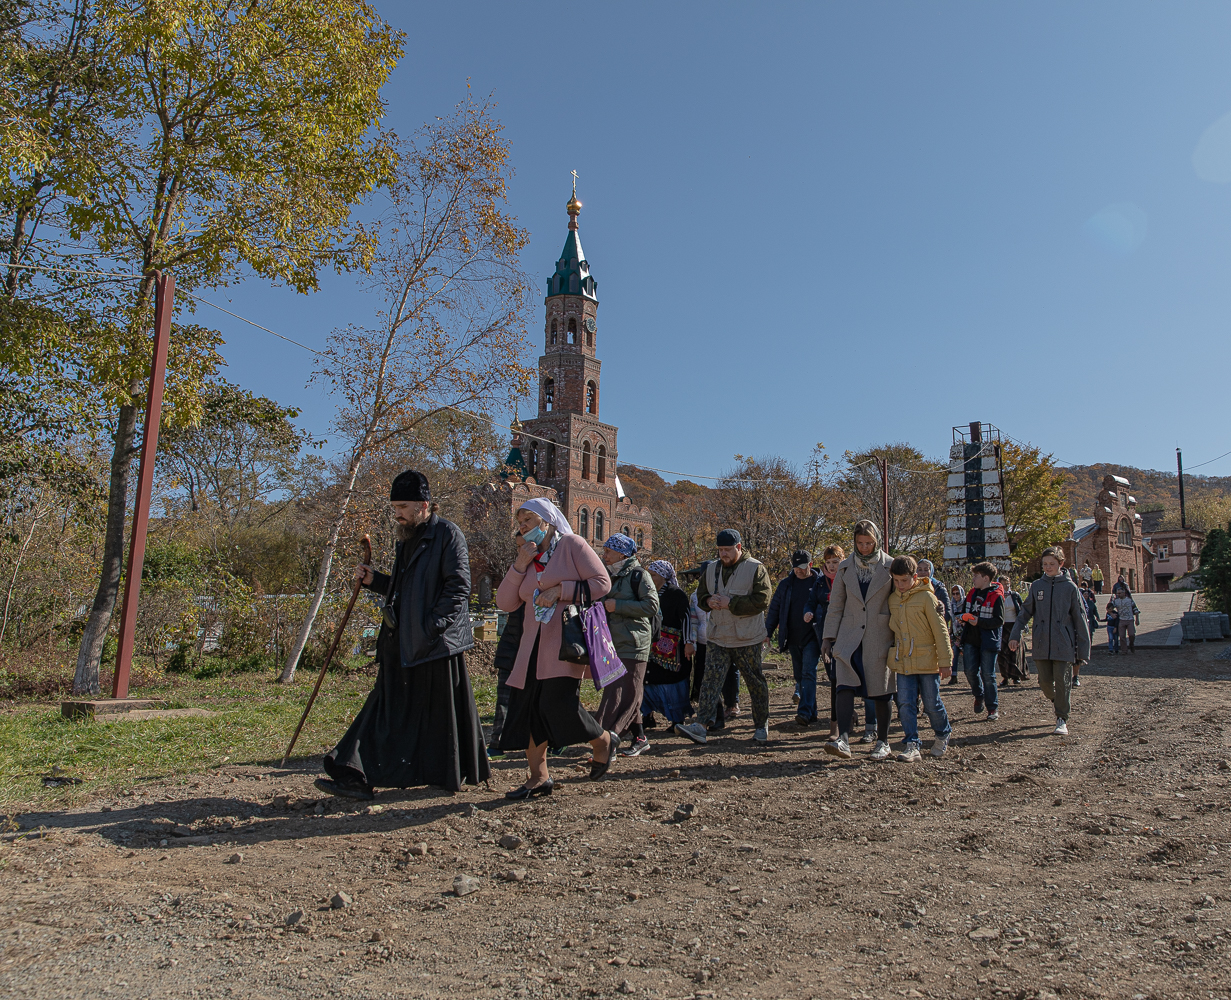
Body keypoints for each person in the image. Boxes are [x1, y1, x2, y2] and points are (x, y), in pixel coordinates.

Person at [318, 470, 489, 799]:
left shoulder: (448, 536)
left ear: (423, 504)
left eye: (403, 505)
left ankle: (360, 773)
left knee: (431, 716)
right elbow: (405, 590)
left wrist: (430, 629)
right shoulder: (407, 537)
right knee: (385, 708)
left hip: (435, 647)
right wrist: (375, 581)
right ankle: (354, 772)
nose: (397, 512)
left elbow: (458, 590)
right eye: (394, 505)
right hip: (403, 642)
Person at [496, 497, 616, 798]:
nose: (522, 527)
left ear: (547, 520)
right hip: (529, 650)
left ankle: (603, 741)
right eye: (520, 522)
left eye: (528, 520)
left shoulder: (571, 545)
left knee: (558, 707)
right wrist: (518, 566)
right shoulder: (527, 557)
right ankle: (538, 777)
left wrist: (560, 590)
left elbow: (602, 583)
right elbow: (505, 602)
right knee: (528, 712)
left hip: (563, 646)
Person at [675, 529, 773, 746]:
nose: (723, 554)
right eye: (720, 550)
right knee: (709, 681)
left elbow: (763, 600)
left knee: (755, 682)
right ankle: (700, 726)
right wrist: (708, 601)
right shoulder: (710, 569)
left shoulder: (756, 568)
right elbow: (700, 596)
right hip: (718, 636)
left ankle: (760, 726)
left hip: (747, 637)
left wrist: (732, 603)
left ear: (738, 547)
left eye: (727, 550)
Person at [821, 520, 897, 761]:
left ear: (877, 541)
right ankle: (843, 739)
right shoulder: (845, 568)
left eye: (869, 543)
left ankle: (883, 742)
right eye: (859, 543)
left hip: (880, 635)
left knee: (881, 690)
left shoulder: (891, 566)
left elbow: (900, 601)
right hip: (849, 636)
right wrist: (828, 637)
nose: (864, 548)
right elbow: (836, 606)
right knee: (843, 685)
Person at [1008, 546, 1090, 736]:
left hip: (1064, 643)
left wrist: (1083, 651)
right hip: (1041, 642)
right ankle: (1058, 700)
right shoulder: (1037, 586)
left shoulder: (1070, 588)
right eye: (1045, 564)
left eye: (1052, 564)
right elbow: (1024, 613)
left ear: (1061, 564)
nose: (1048, 567)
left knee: (1062, 680)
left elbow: (1080, 618)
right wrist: (1014, 635)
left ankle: (1062, 718)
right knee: (1045, 682)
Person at [594, 533, 659, 753]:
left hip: (634, 643)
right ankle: (640, 738)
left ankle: (609, 736)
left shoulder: (639, 575)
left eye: (608, 551)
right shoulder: (610, 575)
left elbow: (651, 606)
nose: (604, 556)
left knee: (626, 693)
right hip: (612, 643)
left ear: (621, 553)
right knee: (625, 691)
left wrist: (617, 606)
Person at [886, 555, 953, 760]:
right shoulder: (892, 599)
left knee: (932, 703)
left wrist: (945, 662)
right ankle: (912, 743)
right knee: (905, 703)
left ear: (915, 577)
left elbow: (941, 631)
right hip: (904, 661)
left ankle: (943, 733)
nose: (900, 585)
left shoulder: (927, 598)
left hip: (927, 661)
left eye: (904, 581)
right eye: (896, 581)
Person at [638, 559, 693, 746]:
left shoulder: (676, 594)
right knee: (648, 679)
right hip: (651, 646)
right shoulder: (646, 593)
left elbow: (685, 619)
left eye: (653, 575)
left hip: (674, 649)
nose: (650, 578)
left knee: (672, 681)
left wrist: (688, 642)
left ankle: (677, 719)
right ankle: (646, 716)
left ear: (663, 576)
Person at [766, 549, 821, 727]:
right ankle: (812, 712)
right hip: (793, 637)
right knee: (800, 676)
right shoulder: (786, 585)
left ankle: (804, 712)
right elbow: (775, 609)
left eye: (802, 567)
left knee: (808, 672)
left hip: (813, 637)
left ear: (810, 565)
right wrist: (767, 633)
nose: (799, 570)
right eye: (796, 567)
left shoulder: (818, 583)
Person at [804, 544, 845, 739]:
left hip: (846, 633)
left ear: (842, 561)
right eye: (828, 562)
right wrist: (808, 612)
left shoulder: (847, 579)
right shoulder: (820, 583)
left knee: (841, 678)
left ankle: (837, 724)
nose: (831, 566)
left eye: (835, 562)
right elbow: (810, 601)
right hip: (824, 634)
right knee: (832, 676)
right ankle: (847, 712)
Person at [959, 562, 1005, 722]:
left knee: (988, 675)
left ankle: (992, 708)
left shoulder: (997, 596)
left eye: (976, 576)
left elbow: (999, 621)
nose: (973, 579)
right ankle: (979, 695)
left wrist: (979, 621)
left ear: (986, 578)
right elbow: (965, 611)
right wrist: (963, 618)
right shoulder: (972, 593)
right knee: (970, 671)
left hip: (988, 641)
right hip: (971, 639)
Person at [487, 603, 524, 758]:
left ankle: (553, 742)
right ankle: (497, 742)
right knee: (504, 697)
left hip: (541, 646)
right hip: (513, 645)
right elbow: (503, 600)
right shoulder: (519, 581)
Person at [996, 574, 1028, 685]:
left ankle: (1016, 676)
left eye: (1007, 583)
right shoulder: (997, 596)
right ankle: (1005, 677)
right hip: (1002, 626)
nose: (1006, 586)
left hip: (1014, 625)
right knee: (1002, 652)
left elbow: (1023, 610)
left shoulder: (1015, 595)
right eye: (1003, 584)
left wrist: (1023, 625)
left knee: (1015, 652)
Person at [1111, 583, 1139, 655]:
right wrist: (1112, 614)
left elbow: (1135, 609)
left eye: (1120, 593)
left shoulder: (1129, 600)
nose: (1119, 595)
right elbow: (1109, 608)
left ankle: (1131, 644)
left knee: (1132, 634)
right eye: (1118, 593)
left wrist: (1137, 619)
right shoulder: (1116, 601)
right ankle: (1124, 650)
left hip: (1129, 619)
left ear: (1124, 593)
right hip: (1121, 620)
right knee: (1122, 636)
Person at [947, 583, 966, 685]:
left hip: (964, 634)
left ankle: (972, 676)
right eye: (953, 594)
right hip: (955, 634)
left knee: (968, 656)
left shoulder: (966, 604)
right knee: (954, 656)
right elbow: (951, 619)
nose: (955, 596)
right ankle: (953, 676)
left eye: (957, 593)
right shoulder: (952, 605)